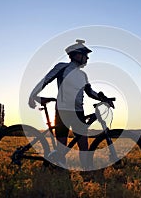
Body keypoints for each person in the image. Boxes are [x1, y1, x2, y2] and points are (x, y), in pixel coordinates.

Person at [28, 39, 110, 169]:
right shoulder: (62, 67)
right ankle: (58, 168)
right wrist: (33, 95)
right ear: (77, 55)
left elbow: (89, 92)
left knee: (83, 143)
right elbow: (46, 80)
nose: (87, 58)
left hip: (78, 112)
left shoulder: (83, 75)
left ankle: (86, 169)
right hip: (63, 110)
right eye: (85, 55)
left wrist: (104, 99)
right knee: (62, 146)